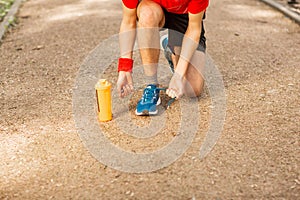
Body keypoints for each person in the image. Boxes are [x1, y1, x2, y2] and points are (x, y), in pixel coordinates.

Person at [117, 0, 208, 115]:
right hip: (152, 8)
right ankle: (151, 85)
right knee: (147, 14)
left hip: (183, 15)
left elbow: (194, 28)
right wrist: (125, 68)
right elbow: (128, 21)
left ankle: (170, 50)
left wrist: (178, 74)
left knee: (192, 90)